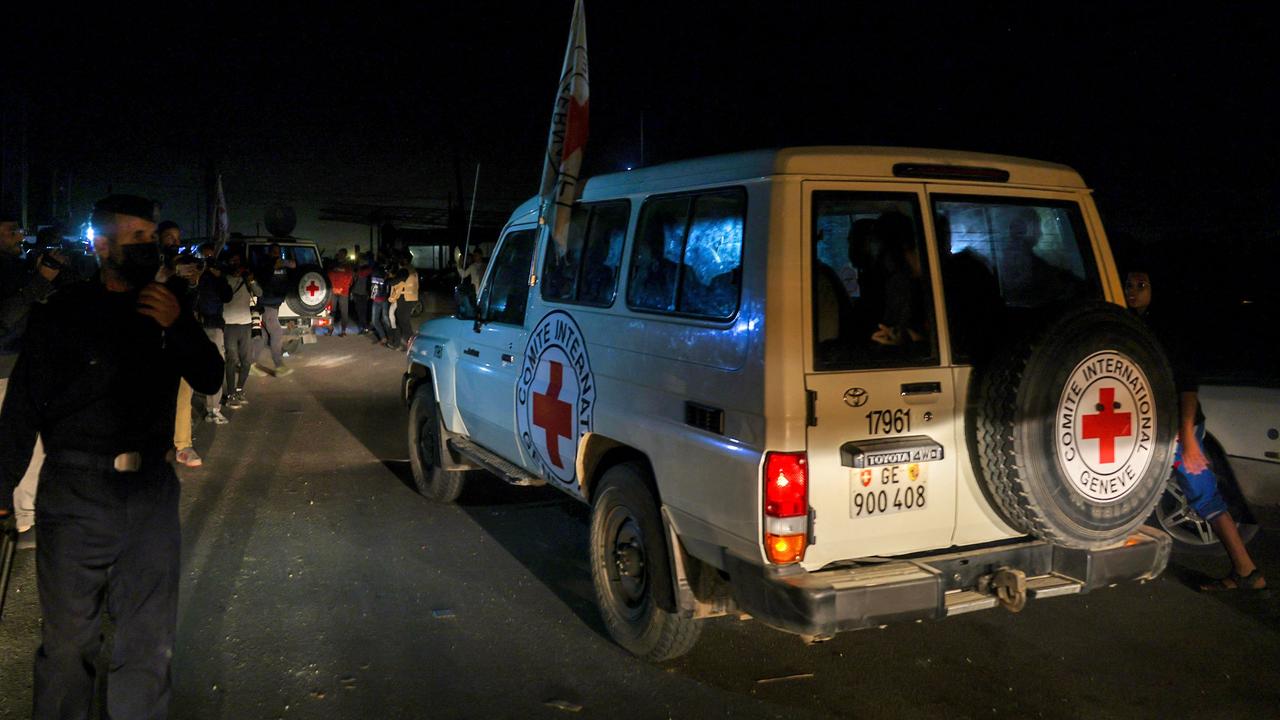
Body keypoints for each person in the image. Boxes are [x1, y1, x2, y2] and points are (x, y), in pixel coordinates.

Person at [0, 194, 223, 718]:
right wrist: (1, 491)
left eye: (153, 236)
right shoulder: (63, 313)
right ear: (102, 246)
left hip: (149, 494)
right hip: (75, 493)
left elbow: (210, 378)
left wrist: (180, 326)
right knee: (68, 644)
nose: (151, 246)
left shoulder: (169, 307)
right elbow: (21, 409)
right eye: (138, 237)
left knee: (147, 643)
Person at [1125, 266, 1266, 592]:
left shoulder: (1168, 330)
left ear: (1155, 289)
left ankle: (1247, 572)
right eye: (1129, 284)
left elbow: (1187, 387)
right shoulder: (1134, 325)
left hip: (1177, 430)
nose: (1133, 290)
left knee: (1204, 498)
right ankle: (1246, 572)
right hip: (1156, 428)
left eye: (1141, 285)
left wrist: (1188, 439)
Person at [1, 213, 60, 548]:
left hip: (21, 363)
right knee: (25, 444)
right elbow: (7, 318)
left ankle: (24, 514)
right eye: (11, 229)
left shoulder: (17, 265)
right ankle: (24, 516)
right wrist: (41, 279)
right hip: (7, 366)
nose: (18, 236)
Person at [158, 223, 204, 467]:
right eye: (168, 237)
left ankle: (183, 445)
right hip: (154, 338)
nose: (174, 241)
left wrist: (193, 283)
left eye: (177, 237)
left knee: (184, 392)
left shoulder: (185, 264)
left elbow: (190, 304)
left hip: (180, 337)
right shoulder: (151, 265)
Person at [195, 242, 234, 423]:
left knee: (216, 366)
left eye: (210, 257)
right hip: (194, 326)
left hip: (213, 324)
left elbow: (227, 296)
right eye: (204, 257)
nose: (207, 261)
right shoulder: (193, 274)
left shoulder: (217, 275)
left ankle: (213, 409)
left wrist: (218, 277)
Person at [220, 251, 259, 409]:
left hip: (245, 324)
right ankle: (230, 395)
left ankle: (239, 389)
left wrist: (252, 281)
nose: (235, 264)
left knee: (247, 360)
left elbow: (259, 293)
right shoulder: (224, 278)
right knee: (231, 360)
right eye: (232, 261)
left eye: (237, 260)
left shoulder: (247, 279)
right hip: (228, 324)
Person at [250, 242, 294, 376]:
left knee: (263, 336)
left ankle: (251, 364)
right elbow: (265, 277)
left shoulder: (281, 264)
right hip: (267, 304)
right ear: (269, 252)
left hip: (274, 303)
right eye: (274, 251)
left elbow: (293, 265)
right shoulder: (265, 264)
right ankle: (279, 365)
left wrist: (283, 262)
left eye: (278, 251)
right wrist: (277, 263)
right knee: (276, 333)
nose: (276, 253)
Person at [389, 253, 419, 350]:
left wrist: (388, 280)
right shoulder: (412, 269)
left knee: (403, 322)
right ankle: (403, 343)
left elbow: (395, 281)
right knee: (403, 321)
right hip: (410, 298)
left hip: (405, 298)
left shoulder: (405, 270)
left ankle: (412, 345)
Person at [326, 247, 354, 336]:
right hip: (334, 290)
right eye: (339, 253)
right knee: (331, 311)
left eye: (341, 253)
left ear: (345, 255)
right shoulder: (333, 263)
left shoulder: (348, 265)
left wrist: (341, 288)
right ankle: (330, 329)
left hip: (343, 291)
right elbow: (329, 274)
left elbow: (350, 277)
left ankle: (343, 331)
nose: (340, 255)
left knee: (344, 311)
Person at [368, 259, 393, 347]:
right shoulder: (384, 275)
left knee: (382, 319)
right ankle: (385, 337)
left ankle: (388, 337)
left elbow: (375, 287)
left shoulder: (380, 274)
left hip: (381, 300)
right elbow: (373, 287)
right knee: (378, 320)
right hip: (378, 300)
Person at [350, 252, 372, 334]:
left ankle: (364, 327)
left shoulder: (367, 270)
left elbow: (360, 274)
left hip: (363, 293)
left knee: (362, 311)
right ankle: (364, 327)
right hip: (358, 292)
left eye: (362, 260)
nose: (361, 261)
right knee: (360, 311)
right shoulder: (359, 269)